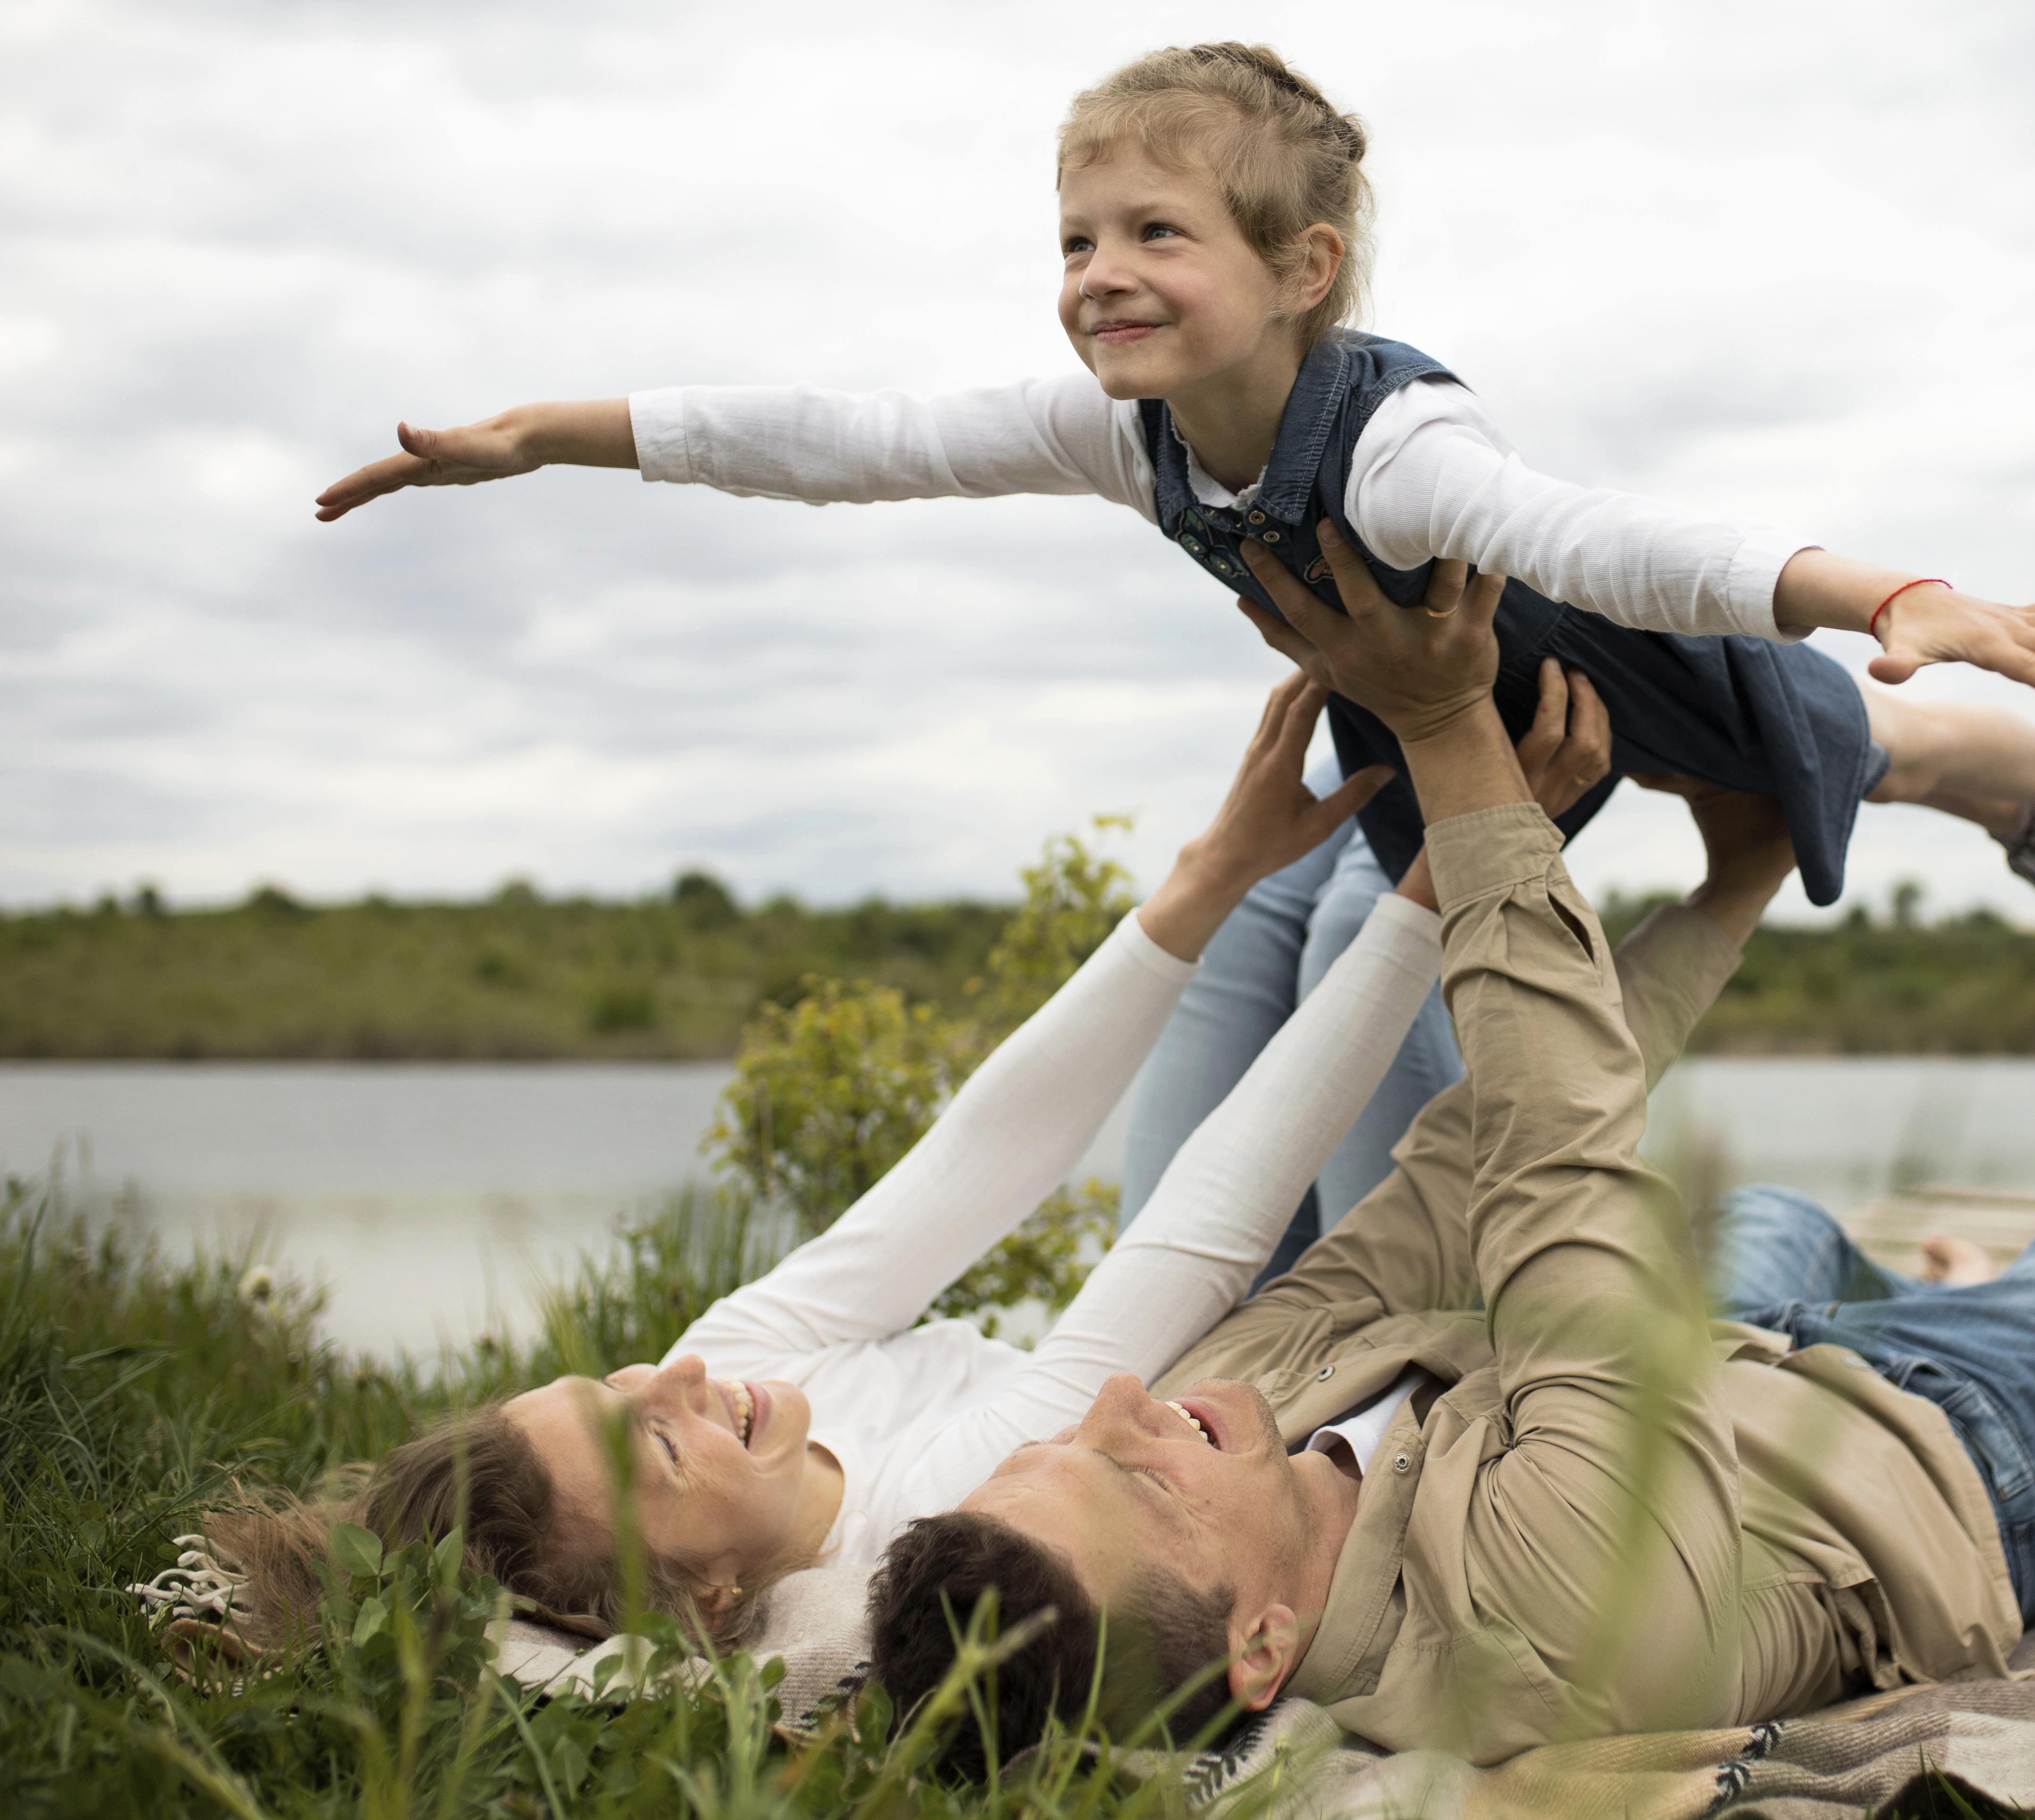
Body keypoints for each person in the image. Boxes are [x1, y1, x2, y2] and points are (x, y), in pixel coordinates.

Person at [308, 40, 2035, 1259]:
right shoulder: (1113, 430)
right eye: (1074, 237)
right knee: (1313, 1056)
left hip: (1645, 678)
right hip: (1423, 763)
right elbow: (851, 438)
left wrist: (1886, 594)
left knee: (1877, 746)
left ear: (1300, 270)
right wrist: (549, 433)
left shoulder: (1397, 438)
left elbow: (1608, 538)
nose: (1099, 272)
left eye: (1156, 232)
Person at [864, 529, 2035, 1772]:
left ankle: (1923, 1259)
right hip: (1943, 1442)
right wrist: (1453, 730)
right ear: (1265, 1645)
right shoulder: (1539, 1620)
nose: (1115, 1406)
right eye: (1137, 1477)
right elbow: (1555, 1161)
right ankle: (1985, 1303)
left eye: (1069, 1441)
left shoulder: (1240, 1415)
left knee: (1760, 1211)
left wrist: (1737, 883)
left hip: (1716, 1351)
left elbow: (1465, 1174)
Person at [202, 669, 1610, 1649]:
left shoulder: (735, 1364)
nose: (678, 1376)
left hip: (1201, 1314)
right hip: (1261, 1350)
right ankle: (1746, 749)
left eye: (618, 1384)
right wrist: (1444, 887)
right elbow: (1186, 1247)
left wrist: (1205, 868)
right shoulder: (928, 1530)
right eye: (658, 1441)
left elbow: (981, 1161)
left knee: (1255, 910)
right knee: (1374, 894)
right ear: (700, 1600)